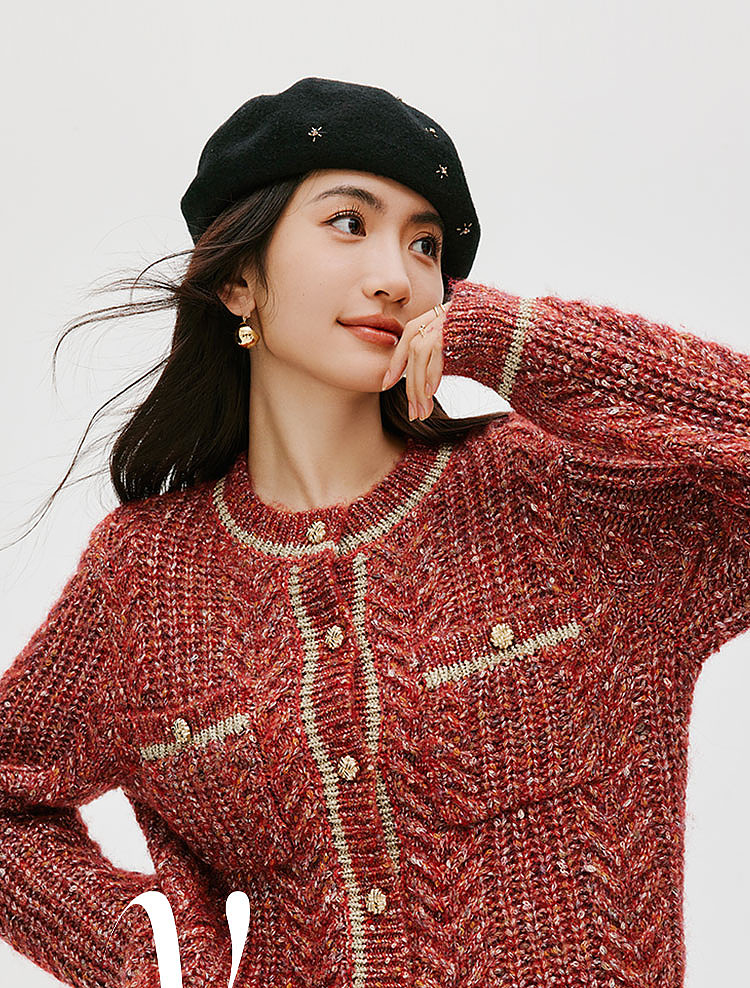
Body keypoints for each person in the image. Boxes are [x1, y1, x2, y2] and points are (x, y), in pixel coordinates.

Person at [1, 76, 748, 988]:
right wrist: (137, 948)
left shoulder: (563, 502)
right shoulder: (146, 578)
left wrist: (525, 342)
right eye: (349, 223)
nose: (397, 275)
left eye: (425, 244)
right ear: (239, 278)